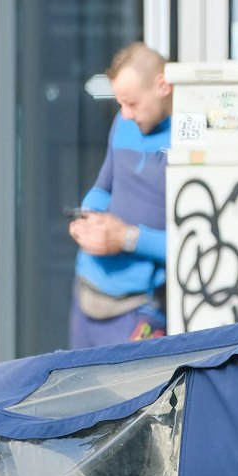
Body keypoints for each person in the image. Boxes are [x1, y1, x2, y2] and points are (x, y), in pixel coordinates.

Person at [68, 41, 172, 348]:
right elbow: (104, 185)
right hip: (88, 290)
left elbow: (194, 245)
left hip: (139, 305)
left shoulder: (188, 137)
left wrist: (126, 237)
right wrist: (88, 217)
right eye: (120, 104)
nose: (125, 114)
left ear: (162, 85)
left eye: (132, 103)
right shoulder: (123, 124)